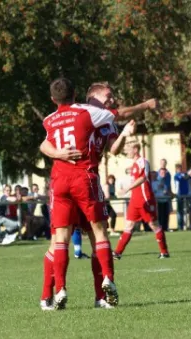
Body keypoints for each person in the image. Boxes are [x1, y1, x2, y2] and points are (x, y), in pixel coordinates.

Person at [38, 77, 130, 310]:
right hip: (81, 179)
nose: (112, 99)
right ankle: (48, 294)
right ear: (91, 98)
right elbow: (44, 144)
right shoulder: (86, 114)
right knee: (65, 239)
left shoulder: (104, 123)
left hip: (82, 180)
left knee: (86, 236)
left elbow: (114, 148)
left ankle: (98, 295)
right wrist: (146, 106)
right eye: (107, 96)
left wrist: (124, 136)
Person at [112, 143, 170, 260]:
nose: (126, 151)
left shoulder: (142, 162)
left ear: (135, 149)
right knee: (129, 225)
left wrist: (127, 188)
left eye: (128, 149)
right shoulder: (133, 165)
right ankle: (117, 253)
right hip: (135, 199)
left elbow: (143, 178)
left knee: (154, 224)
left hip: (145, 198)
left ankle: (164, 252)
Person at [174, 164, 189, 231]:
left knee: (185, 210)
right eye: (178, 169)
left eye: (180, 168)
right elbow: (179, 180)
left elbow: (187, 177)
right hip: (179, 195)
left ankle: (185, 226)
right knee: (180, 211)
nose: (180, 170)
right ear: (176, 169)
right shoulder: (176, 176)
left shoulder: (183, 174)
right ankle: (180, 226)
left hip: (185, 194)